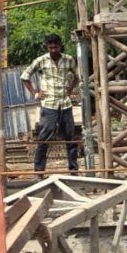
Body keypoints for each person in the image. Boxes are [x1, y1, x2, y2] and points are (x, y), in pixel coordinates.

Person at [21, 33, 80, 177]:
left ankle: (73, 170)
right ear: (47, 47)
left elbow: (78, 75)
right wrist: (35, 93)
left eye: (56, 46)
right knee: (43, 139)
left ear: (60, 46)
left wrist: (70, 88)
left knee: (70, 139)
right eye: (50, 47)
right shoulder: (41, 61)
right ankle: (39, 171)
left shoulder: (68, 60)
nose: (53, 49)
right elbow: (24, 76)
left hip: (65, 104)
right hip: (48, 105)